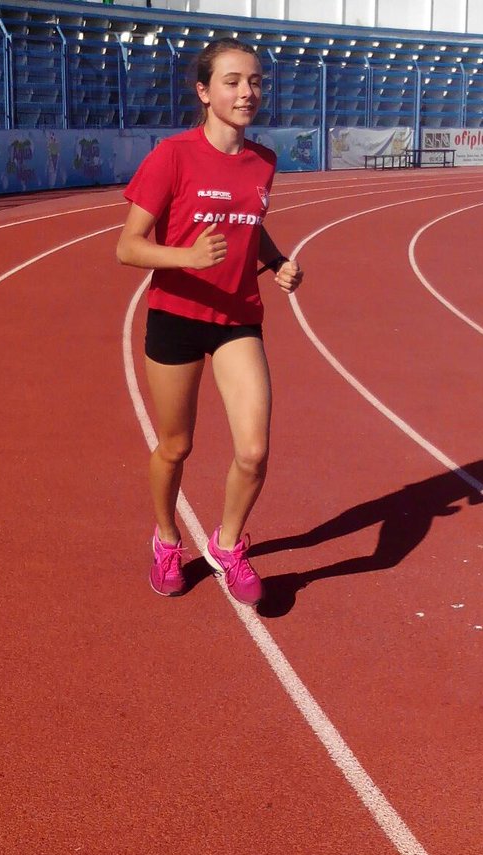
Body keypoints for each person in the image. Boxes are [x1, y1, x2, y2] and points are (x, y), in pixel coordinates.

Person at [116, 37, 303, 606]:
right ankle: (167, 539)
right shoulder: (172, 156)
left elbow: (249, 223)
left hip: (237, 319)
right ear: (204, 91)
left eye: (255, 81)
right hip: (175, 316)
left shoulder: (263, 162)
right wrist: (186, 257)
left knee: (253, 450)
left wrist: (276, 262)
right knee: (176, 447)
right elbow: (128, 247)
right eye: (232, 81)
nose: (247, 92)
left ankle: (226, 545)